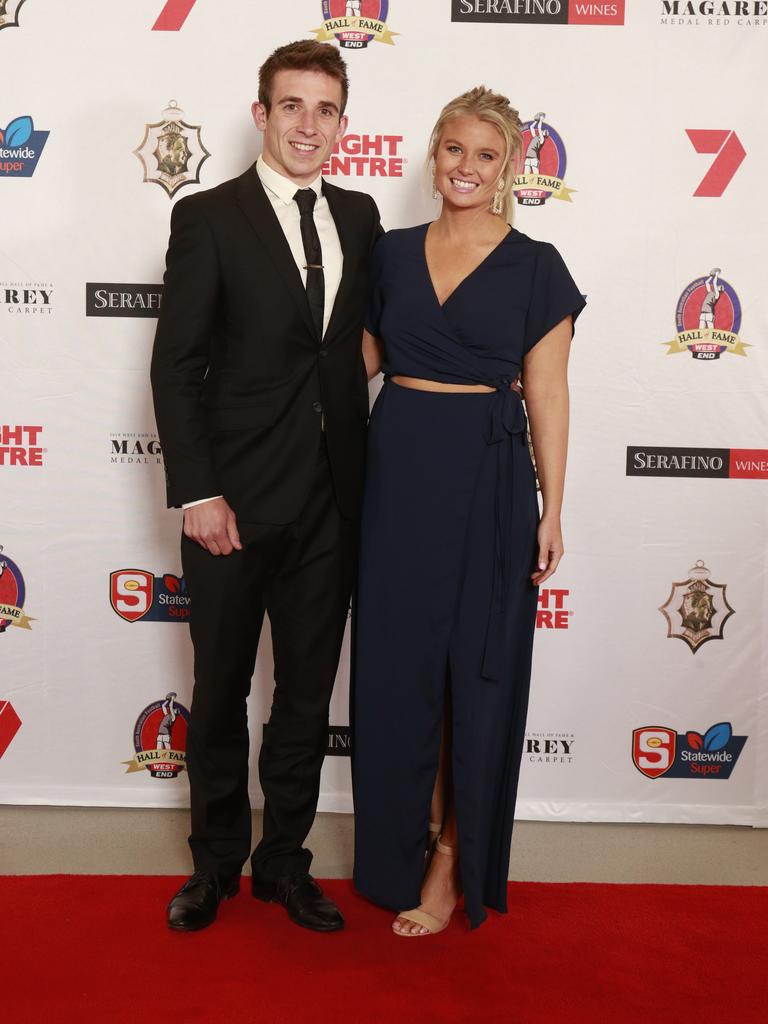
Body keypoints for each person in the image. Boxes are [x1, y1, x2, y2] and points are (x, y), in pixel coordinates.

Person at [151, 40, 381, 933]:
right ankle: (213, 867)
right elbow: (178, 366)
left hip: (332, 503)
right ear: (261, 114)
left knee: (306, 695)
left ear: (342, 124)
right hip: (231, 508)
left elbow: (360, 339)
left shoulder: (359, 218)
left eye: (325, 110)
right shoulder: (209, 216)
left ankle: (285, 863)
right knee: (217, 693)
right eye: (292, 106)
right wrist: (198, 491)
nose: (308, 126)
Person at [352, 86, 585, 935]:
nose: (466, 167)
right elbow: (364, 360)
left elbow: (550, 394)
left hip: (487, 476)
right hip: (398, 465)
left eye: (486, 155)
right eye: (454, 149)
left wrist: (552, 507)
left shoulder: (536, 264)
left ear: (510, 167)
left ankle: (452, 857)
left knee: (472, 673)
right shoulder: (390, 251)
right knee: (395, 664)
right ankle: (393, 851)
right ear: (432, 153)